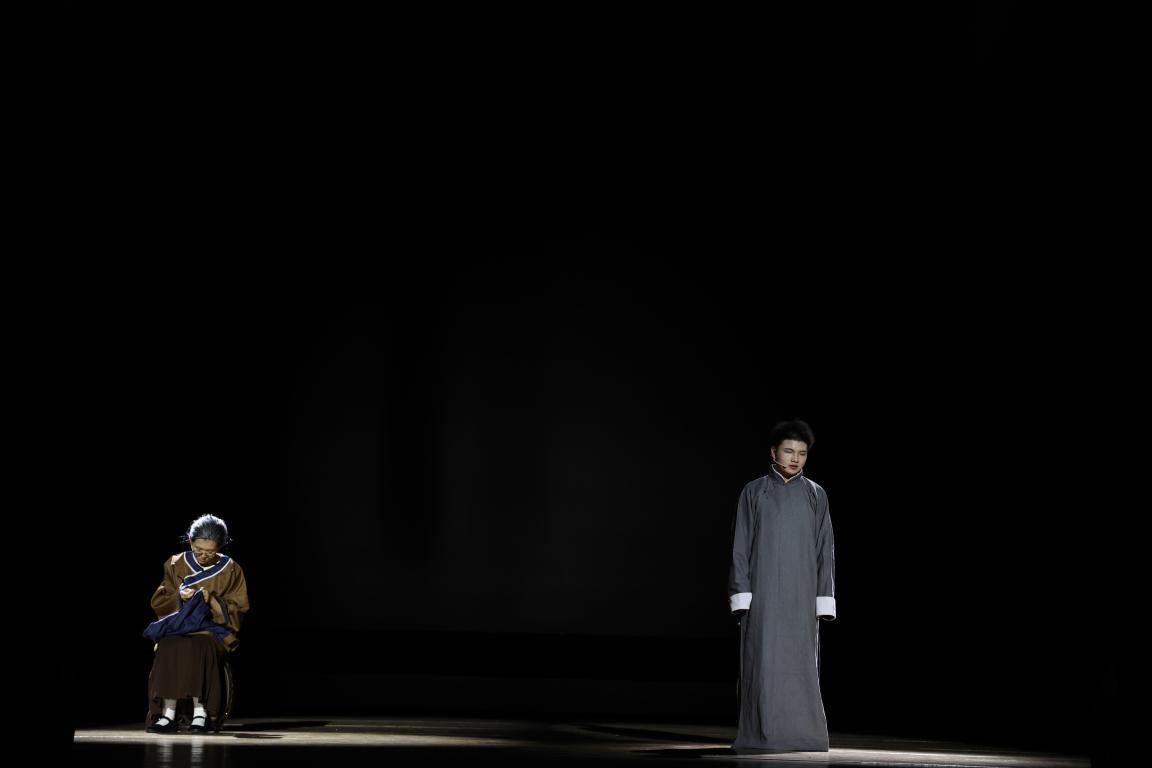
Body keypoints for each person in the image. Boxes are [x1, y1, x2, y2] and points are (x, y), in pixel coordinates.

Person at [728, 419, 836, 752]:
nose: (795, 458)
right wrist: (741, 593)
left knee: (800, 666)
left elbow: (825, 549)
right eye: (789, 451)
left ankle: (804, 735)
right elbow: (740, 545)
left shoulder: (815, 494)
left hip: (802, 595)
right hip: (762, 595)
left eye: (801, 453)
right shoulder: (754, 491)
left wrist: (824, 598)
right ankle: (761, 734)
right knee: (762, 664)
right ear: (774, 452)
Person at [145, 514, 249, 733]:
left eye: (210, 552)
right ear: (190, 541)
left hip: (212, 629)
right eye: (198, 550)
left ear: (220, 547)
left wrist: (211, 600)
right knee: (169, 644)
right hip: (180, 625)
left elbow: (238, 607)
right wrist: (179, 596)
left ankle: (201, 713)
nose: (203, 556)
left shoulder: (231, 569)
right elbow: (161, 600)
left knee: (199, 645)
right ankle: (167, 714)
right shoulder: (175, 563)